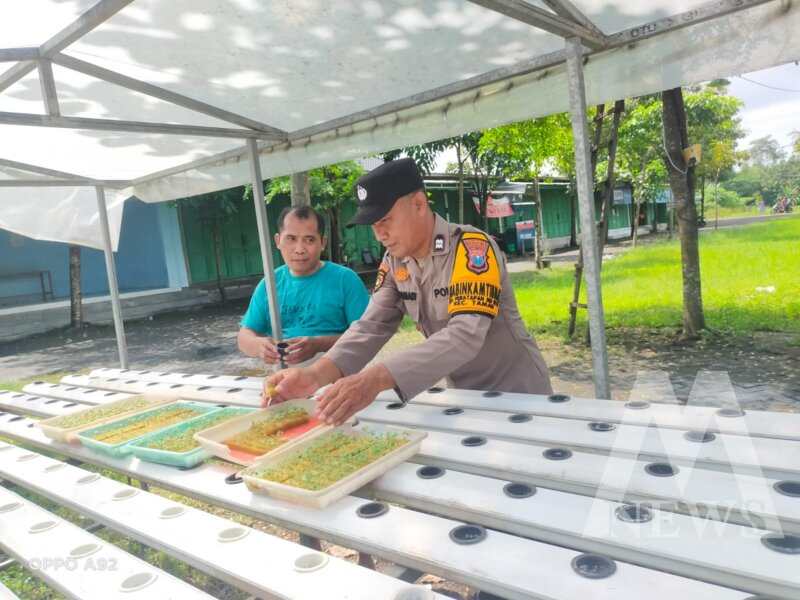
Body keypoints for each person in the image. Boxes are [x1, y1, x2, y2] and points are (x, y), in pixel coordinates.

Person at [266, 158, 553, 424]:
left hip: (520, 394)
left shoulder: (472, 248)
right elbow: (370, 326)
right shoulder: (394, 263)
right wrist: (314, 376)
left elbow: (465, 334)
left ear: (418, 204)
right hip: (465, 396)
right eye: (373, 225)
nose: (379, 234)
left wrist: (376, 379)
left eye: (385, 220)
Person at [238, 205, 369, 367]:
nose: (299, 249)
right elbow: (244, 336)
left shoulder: (345, 280)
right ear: (278, 241)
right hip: (283, 380)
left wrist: (318, 344)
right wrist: (258, 346)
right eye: (291, 239)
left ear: (323, 242)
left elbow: (366, 336)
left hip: (338, 377)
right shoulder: (269, 284)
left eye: (309, 240)